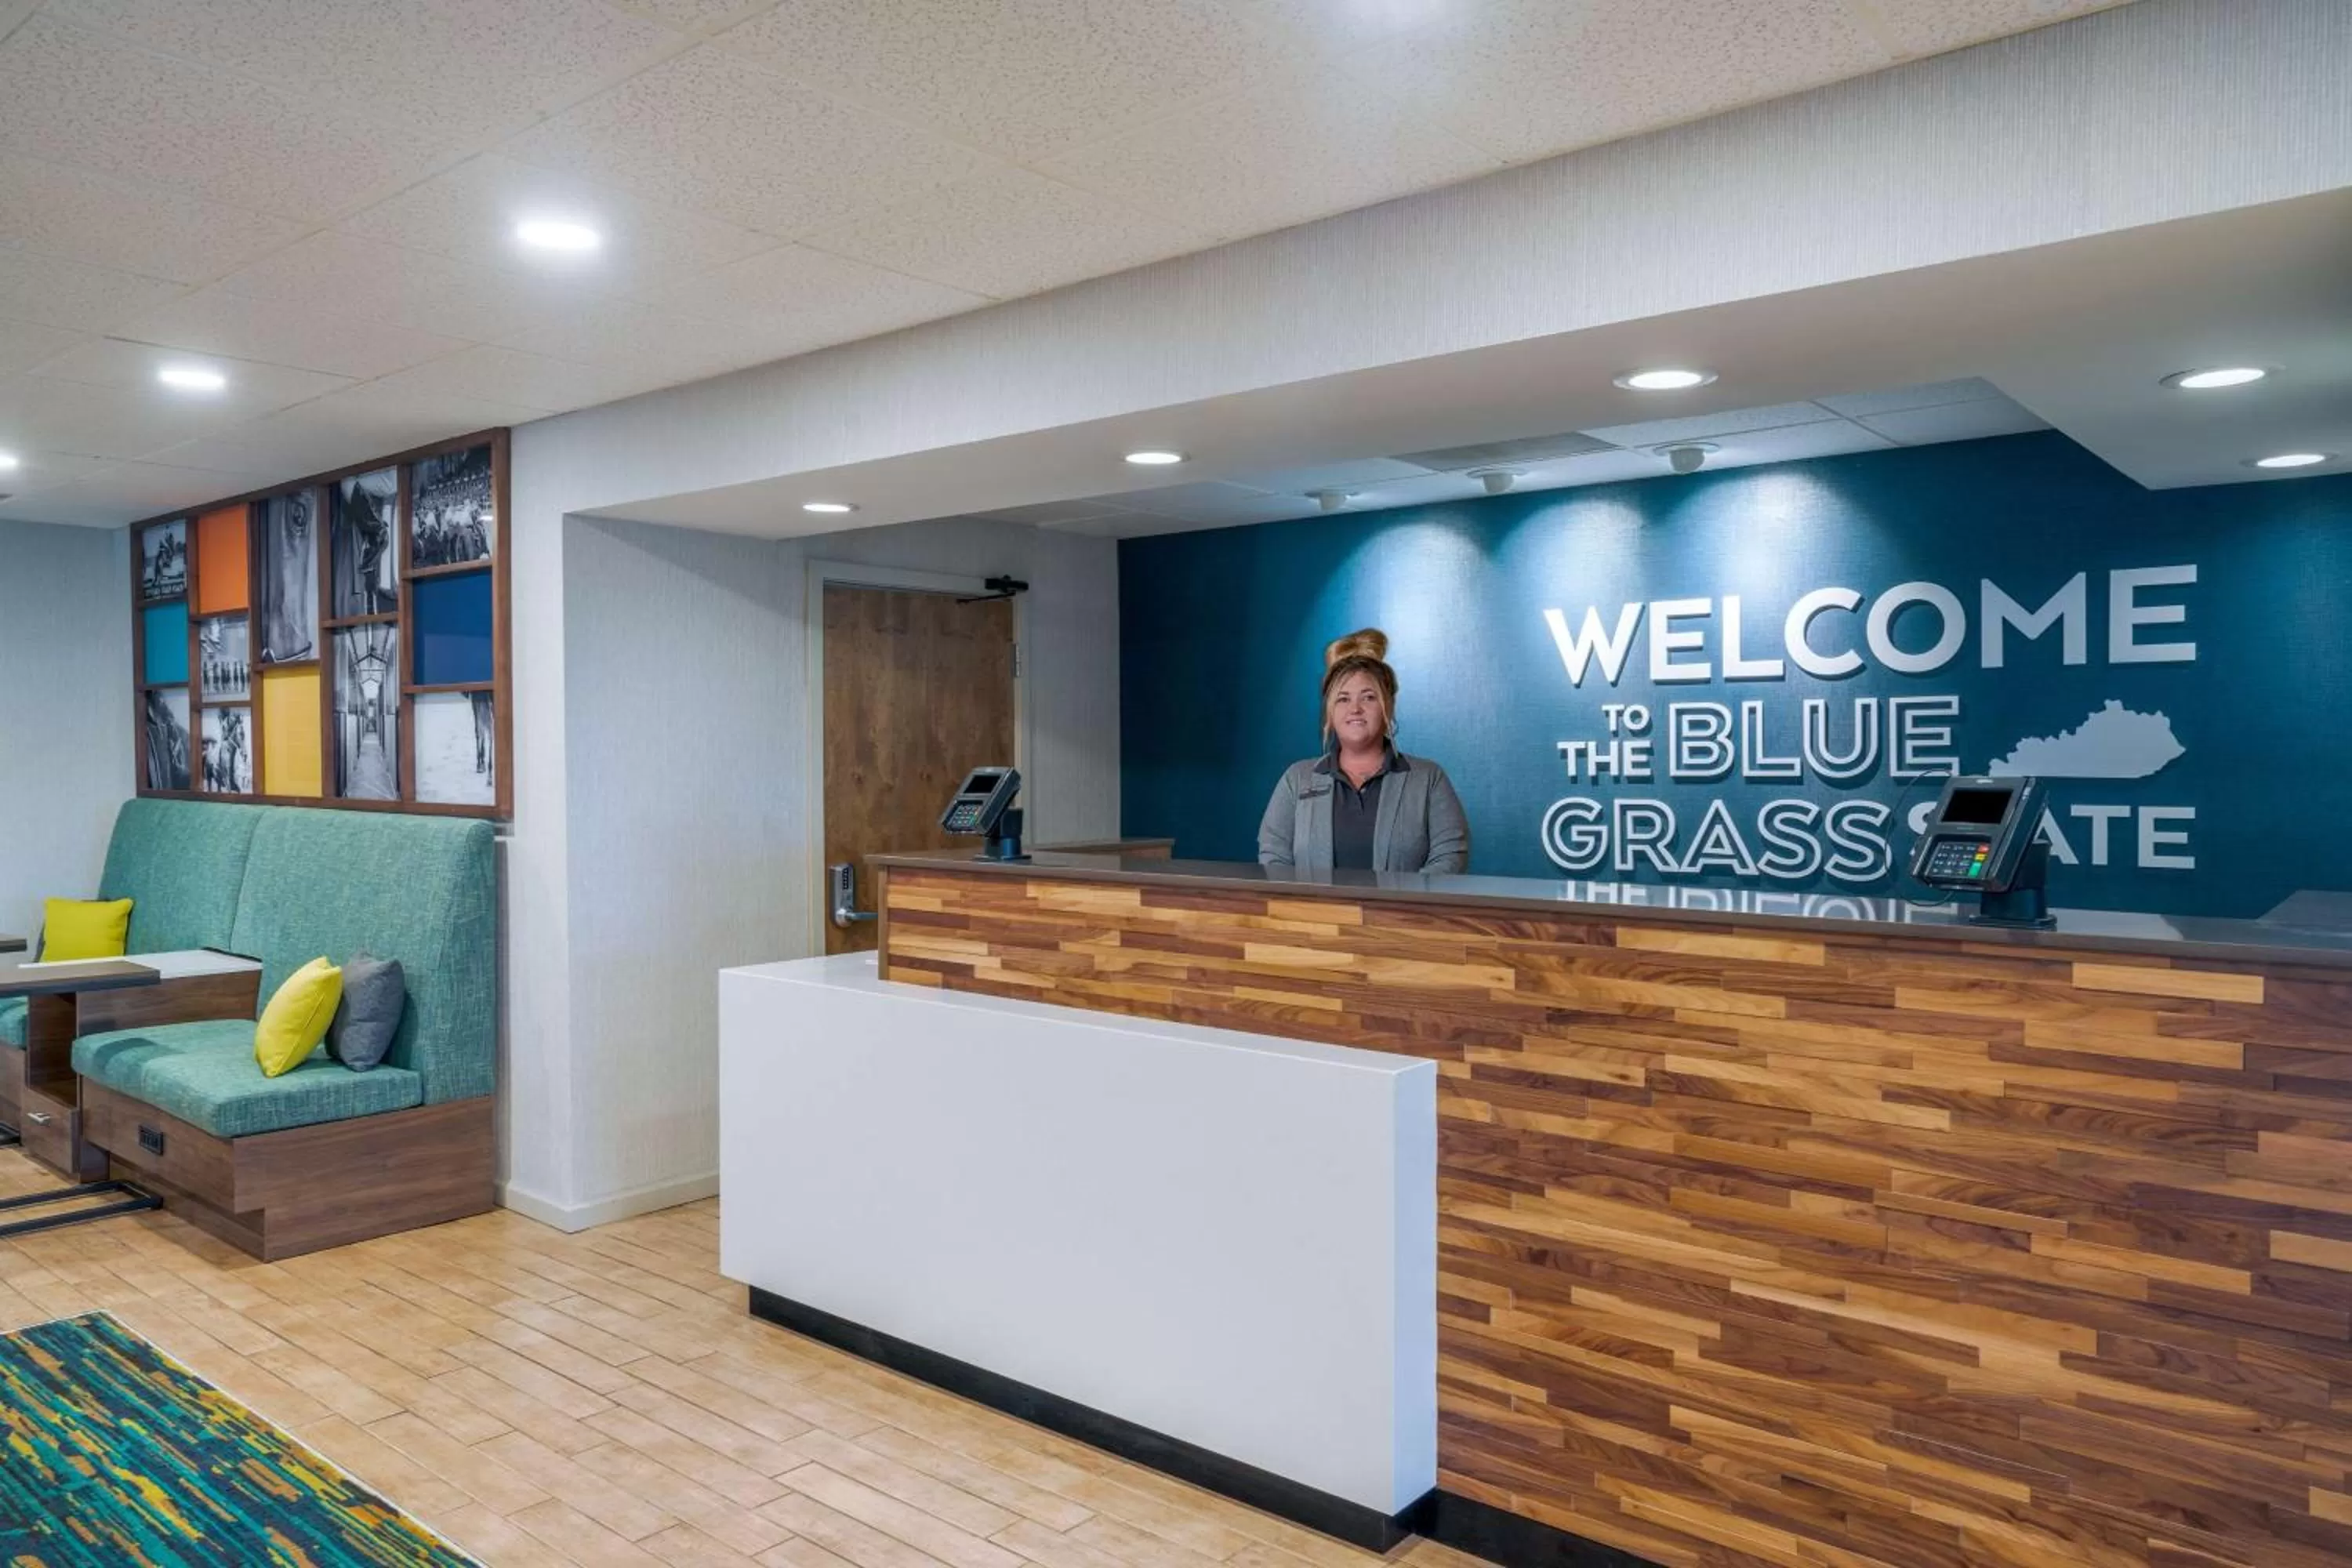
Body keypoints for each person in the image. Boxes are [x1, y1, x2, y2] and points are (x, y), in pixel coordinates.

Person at [1258, 628, 1469, 874]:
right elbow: (1274, 857)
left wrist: (1399, 908)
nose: (1355, 709)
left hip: (1400, 914)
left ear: (1387, 707)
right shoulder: (1296, 779)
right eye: (1343, 699)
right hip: (1312, 914)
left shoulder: (1429, 779)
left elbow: (1450, 856)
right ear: (1330, 711)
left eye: (1368, 697)